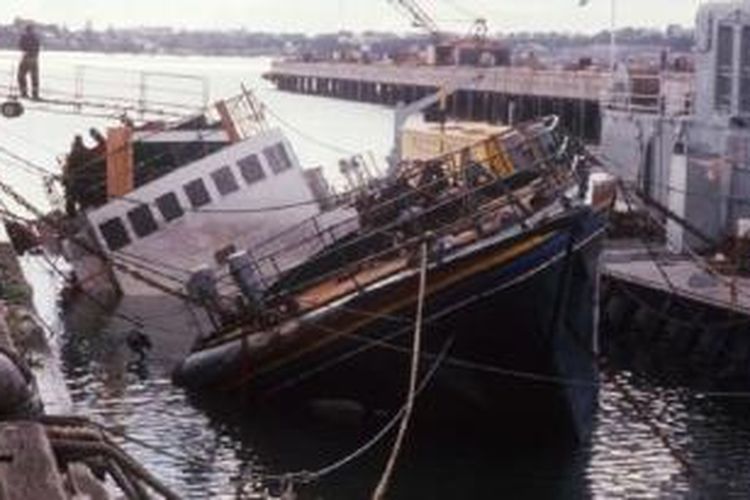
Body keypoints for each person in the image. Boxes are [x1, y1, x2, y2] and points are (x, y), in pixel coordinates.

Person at [17, 25, 40, 100]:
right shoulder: (36, 37)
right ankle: (35, 94)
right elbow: (38, 47)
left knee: (21, 75)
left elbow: (20, 46)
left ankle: (24, 92)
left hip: (27, 57)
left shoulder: (24, 37)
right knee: (34, 77)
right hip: (34, 57)